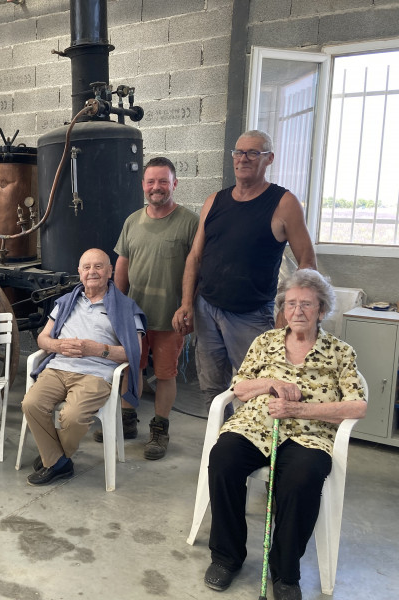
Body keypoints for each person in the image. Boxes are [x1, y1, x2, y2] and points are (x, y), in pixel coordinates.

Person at [203, 269, 366, 600]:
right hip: (257, 425)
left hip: (309, 433)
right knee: (223, 459)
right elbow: (241, 387)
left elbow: (357, 406)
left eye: (307, 304)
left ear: (322, 310)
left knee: (302, 478)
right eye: (291, 304)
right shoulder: (265, 342)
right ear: (282, 309)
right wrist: (270, 384)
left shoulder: (340, 352)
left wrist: (300, 410)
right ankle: (226, 557)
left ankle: (285, 572)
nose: (298, 311)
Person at [172, 130, 316, 412]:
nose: (243, 159)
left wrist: (286, 314)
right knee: (212, 387)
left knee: (258, 386)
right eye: (239, 152)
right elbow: (195, 257)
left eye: (253, 153)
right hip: (207, 310)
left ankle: (250, 446)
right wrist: (187, 303)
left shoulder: (284, 203)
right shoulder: (215, 201)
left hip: (251, 315)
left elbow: (308, 265)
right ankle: (221, 444)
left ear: (269, 159)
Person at [97, 156, 198, 460]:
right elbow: (123, 266)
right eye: (151, 182)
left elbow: (197, 269)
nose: (157, 187)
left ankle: (160, 428)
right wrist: (116, 305)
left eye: (163, 181)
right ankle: (128, 421)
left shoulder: (190, 222)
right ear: (143, 185)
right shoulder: (132, 221)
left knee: (166, 374)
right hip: (134, 316)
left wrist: (187, 307)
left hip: (170, 317)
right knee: (131, 368)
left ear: (174, 184)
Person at [21, 249, 146, 486]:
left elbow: (134, 352)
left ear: (110, 271)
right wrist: (57, 344)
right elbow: (42, 339)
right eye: (86, 267)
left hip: (96, 373)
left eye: (98, 267)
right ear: (79, 273)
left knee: (73, 416)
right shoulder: (66, 302)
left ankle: (53, 459)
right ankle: (58, 462)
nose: (92, 272)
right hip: (59, 367)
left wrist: (97, 349)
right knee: (31, 404)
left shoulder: (126, 308)